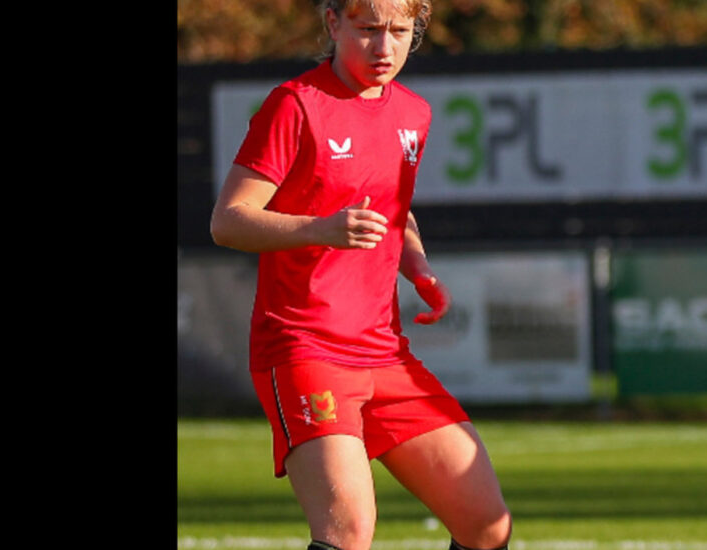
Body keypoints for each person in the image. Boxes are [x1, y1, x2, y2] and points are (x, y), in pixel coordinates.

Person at [208, 2, 512, 550]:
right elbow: (228, 221)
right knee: (347, 532)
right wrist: (319, 230)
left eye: (399, 31)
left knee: (486, 526)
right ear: (333, 23)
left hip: (384, 354)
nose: (384, 47)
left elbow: (393, 208)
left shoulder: (413, 113)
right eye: (368, 30)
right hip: (304, 348)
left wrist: (415, 263)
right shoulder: (296, 105)